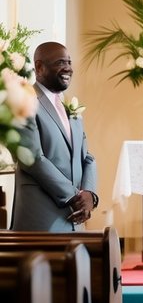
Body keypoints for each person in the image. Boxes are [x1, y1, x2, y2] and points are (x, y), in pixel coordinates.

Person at [12, 42, 98, 232]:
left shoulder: (69, 106)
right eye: (60, 62)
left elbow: (87, 157)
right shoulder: (25, 100)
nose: (68, 67)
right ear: (40, 67)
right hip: (42, 219)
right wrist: (74, 196)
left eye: (69, 62)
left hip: (75, 219)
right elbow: (32, 158)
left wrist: (90, 194)